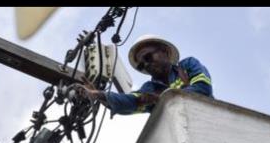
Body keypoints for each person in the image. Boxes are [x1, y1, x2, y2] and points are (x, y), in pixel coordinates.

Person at [74, 34, 213, 115]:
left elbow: (203, 89)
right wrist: (99, 94)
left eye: (148, 57)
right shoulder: (149, 88)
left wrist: (160, 98)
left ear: (164, 51)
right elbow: (130, 101)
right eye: (141, 64)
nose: (146, 65)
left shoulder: (187, 65)